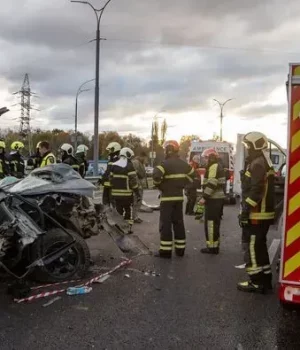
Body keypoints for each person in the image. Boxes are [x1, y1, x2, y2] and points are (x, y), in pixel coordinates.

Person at [237, 131, 275, 293]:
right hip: (262, 213)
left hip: (256, 214)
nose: (247, 149)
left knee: (251, 246)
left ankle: (256, 281)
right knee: (259, 246)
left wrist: (246, 210)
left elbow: (256, 190)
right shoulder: (263, 161)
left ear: (256, 146)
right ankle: (265, 279)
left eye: (248, 146)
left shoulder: (257, 163)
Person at [153, 140, 194, 258]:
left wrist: (160, 186)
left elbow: (156, 176)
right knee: (179, 223)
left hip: (166, 199)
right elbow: (193, 176)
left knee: (166, 224)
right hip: (179, 198)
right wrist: (184, 185)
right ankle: (180, 250)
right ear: (176, 150)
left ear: (167, 150)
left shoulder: (164, 164)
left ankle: (165, 251)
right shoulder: (184, 164)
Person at [199, 148, 226, 255]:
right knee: (215, 224)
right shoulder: (217, 165)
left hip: (213, 199)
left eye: (205, 158)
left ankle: (212, 248)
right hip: (217, 199)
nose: (205, 160)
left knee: (210, 224)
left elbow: (212, 183)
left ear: (211, 157)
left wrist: (204, 197)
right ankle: (215, 245)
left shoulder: (214, 166)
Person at [110, 147, 140, 232]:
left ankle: (119, 227)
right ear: (127, 154)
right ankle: (127, 229)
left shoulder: (114, 165)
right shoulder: (129, 166)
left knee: (119, 211)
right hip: (127, 194)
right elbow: (133, 181)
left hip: (116, 194)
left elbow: (110, 179)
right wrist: (137, 193)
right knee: (128, 211)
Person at [101, 142, 121, 206]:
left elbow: (111, 172)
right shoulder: (111, 160)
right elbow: (107, 171)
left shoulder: (117, 160)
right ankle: (107, 214)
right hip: (107, 185)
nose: (109, 151)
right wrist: (102, 179)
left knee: (113, 202)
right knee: (106, 201)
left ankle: (115, 214)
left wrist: (103, 178)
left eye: (111, 149)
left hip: (113, 186)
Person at [131, 151, 147, 223]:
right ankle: (134, 217)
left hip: (139, 185)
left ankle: (135, 216)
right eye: (145, 158)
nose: (145, 160)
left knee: (138, 202)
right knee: (136, 201)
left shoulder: (140, 163)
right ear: (142, 157)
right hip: (137, 186)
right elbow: (134, 174)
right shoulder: (136, 163)